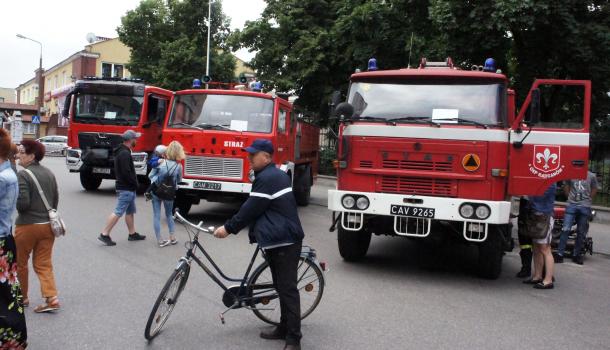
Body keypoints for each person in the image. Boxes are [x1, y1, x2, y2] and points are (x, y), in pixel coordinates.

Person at [213, 139, 304, 350]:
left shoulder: (269, 177)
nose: (249, 158)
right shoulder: (268, 175)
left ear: (267, 157)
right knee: (281, 288)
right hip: (277, 240)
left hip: (285, 241)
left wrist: (228, 228)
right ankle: (283, 327)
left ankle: (294, 339)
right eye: (249, 154)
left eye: (253, 155)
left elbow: (250, 208)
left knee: (287, 289)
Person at [14, 140, 61, 313]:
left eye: (22, 153)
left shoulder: (23, 175)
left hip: (27, 226)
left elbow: (23, 204)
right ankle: (51, 298)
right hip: (47, 225)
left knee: (20, 263)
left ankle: (22, 298)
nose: (18, 156)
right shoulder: (49, 173)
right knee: (44, 263)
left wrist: (15, 202)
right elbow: (55, 199)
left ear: (32, 156)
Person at [0, 130, 27, 348]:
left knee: (6, 295)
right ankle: (13, 338)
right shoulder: (9, 173)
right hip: (5, 239)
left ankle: (9, 339)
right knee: (9, 292)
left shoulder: (2, 178)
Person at [98, 130, 146, 246]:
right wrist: (135, 184)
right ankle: (104, 234)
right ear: (130, 140)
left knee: (130, 211)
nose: (136, 140)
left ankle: (132, 233)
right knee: (118, 211)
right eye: (135, 138)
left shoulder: (122, 151)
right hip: (126, 188)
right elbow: (126, 172)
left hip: (126, 187)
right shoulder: (124, 153)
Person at [555, 172, 598, 265]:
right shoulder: (571, 173)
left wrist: (589, 199)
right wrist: (569, 197)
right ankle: (559, 254)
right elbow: (566, 185)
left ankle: (576, 254)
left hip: (584, 206)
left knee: (581, 232)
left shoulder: (591, 176)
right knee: (565, 229)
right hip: (572, 205)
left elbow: (595, 188)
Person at [149, 141, 184, 247]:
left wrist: (158, 182)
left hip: (156, 191)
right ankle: (172, 237)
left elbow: (151, 175)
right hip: (169, 193)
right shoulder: (178, 166)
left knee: (156, 215)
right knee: (169, 214)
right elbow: (178, 180)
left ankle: (160, 239)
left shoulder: (160, 162)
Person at [523, 183, 556, 290]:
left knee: (545, 249)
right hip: (537, 216)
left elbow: (537, 197)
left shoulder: (550, 182)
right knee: (536, 247)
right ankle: (537, 276)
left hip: (544, 216)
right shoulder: (542, 180)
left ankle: (548, 280)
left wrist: (528, 195)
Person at [515, 196, 533, 278]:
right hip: (526, 205)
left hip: (530, 206)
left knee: (539, 244)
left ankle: (526, 269)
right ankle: (526, 268)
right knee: (525, 242)